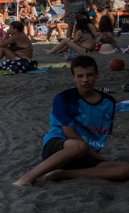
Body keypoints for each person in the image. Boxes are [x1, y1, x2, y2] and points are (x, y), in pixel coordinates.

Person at [14, 55, 129, 186]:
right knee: (79, 146)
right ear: (73, 77)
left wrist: (96, 157)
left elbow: (100, 134)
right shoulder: (64, 98)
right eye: (80, 76)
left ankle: (64, 174)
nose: (85, 80)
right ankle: (28, 177)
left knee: (125, 168)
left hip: (85, 154)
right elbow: (70, 133)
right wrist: (99, 158)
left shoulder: (109, 102)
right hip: (58, 146)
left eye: (89, 75)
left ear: (97, 75)